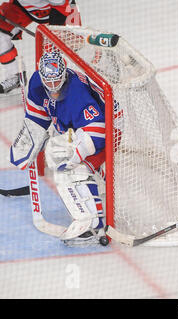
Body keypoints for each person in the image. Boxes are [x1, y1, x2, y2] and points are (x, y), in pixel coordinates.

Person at [9, 50, 106, 246]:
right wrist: (31, 137)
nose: (53, 87)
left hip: (106, 130)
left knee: (71, 169)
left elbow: (98, 130)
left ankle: (93, 225)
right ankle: (93, 191)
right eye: (48, 82)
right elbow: (38, 114)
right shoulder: (37, 82)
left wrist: (76, 156)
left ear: (64, 73)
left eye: (57, 81)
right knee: (57, 157)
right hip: (75, 129)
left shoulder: (77, 93)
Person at [0, 0, 81, 94]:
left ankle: (59, 84)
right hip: (25, 7)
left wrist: (53, 35)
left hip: (59, 8)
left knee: (56, 52)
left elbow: (61, 6)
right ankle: (15, 75)